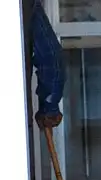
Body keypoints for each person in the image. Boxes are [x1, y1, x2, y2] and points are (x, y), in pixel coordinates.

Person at [28, 0, 65, 129]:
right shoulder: (51, 96)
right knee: (34, 14)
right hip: (48, 55)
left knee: (36, 14)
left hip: (50, 56)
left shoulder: (53, 95)